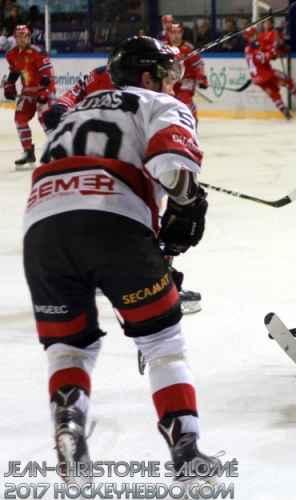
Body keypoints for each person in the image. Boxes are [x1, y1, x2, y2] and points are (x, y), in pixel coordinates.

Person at [22, 36, 218, 485]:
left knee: (69, 346)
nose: (172, 84)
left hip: (43, 230)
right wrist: (187, 204)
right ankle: (186, 451)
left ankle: (69, 426)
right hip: (114, 225)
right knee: (162, 342)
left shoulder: (79, 109)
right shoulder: (158, 103)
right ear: (147, 77)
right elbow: (171, 169)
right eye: (166, 76)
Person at [41, 61, 204, 314]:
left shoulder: (105, 77)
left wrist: (61, 108)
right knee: (148, 215)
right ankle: (156, 284)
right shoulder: (120, 81)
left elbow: (72, 97)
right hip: (121, 164)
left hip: (83, 170)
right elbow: (74, 94)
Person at [4, 24, 55, 169]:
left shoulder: (38, 52)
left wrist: (44, 92)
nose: (22, 39)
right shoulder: (11, 55)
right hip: (27, 92)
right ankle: (28, 152)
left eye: (25, 36)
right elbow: (14, 72)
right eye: (19, 37)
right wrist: (10, 86)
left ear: (29, 37)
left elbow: (47, 74)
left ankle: (58, 150)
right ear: (15, 38)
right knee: (20, 119)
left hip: (43, 91)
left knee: (45, 120)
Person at [243, 26, 296, 120]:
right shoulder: (256, 45)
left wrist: (274, 50)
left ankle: (286, 114)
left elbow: (263, 54)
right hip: (267, 75)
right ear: (252, 36)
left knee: (274, 94)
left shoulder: (247, 48)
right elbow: (264, 58)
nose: (258, 34)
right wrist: (276, 51)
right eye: (255, 33)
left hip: (257, 79)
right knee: (287, 80)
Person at [167, 23, 208, 121]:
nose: (176, 35)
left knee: (185, 99)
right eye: (173, 33)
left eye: (178, 33)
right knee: (169, 101)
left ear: (182, 33)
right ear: (169, 33)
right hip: (171, 80)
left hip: (187, 78)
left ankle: (192, 119)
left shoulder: (188, 47)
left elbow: (198, 64)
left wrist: (201, 77)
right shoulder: (164, 47)